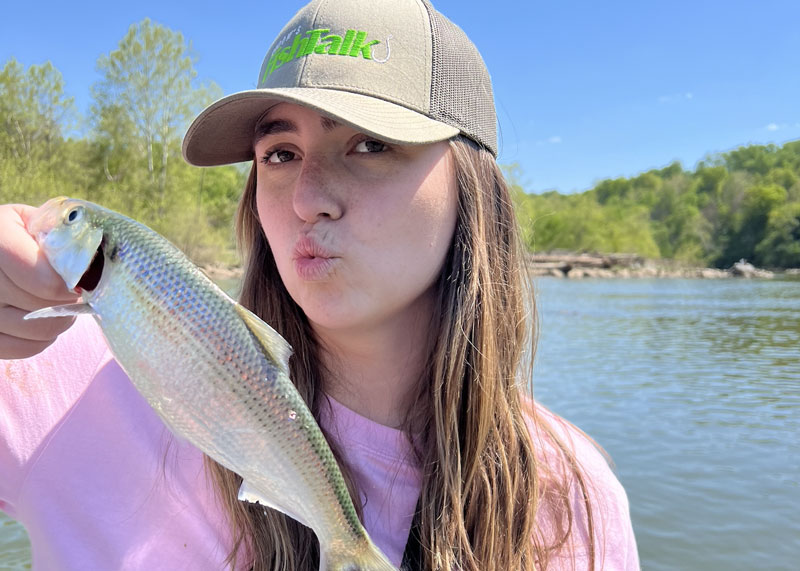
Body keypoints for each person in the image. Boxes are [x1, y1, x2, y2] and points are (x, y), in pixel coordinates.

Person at [0, 0, 639, 569]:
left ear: (472, 191)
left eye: (370, 145)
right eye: (279, 154)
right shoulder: (61, 371)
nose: (308, 199)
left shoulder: (573, 497)